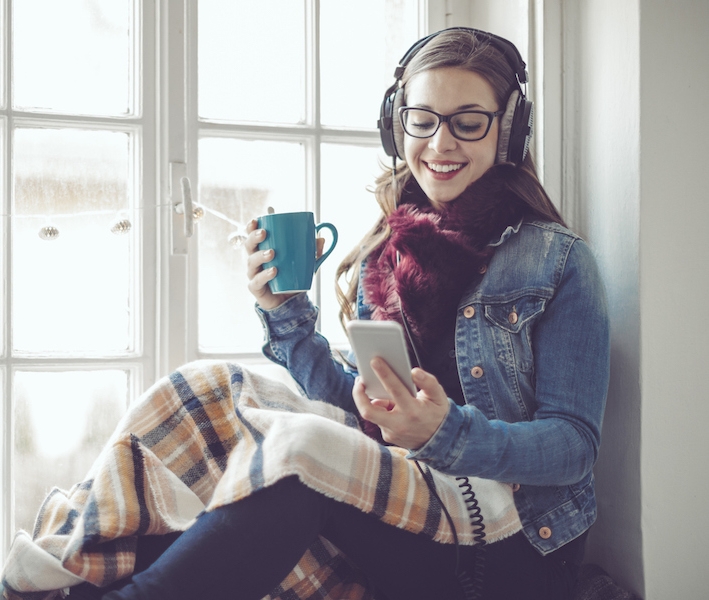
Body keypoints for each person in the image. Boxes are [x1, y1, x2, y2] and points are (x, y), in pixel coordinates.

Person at [67, 27, 610, 600]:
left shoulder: (559, 262)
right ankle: (86, 573)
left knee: (305, 450)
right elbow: (355, 410)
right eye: (421, 119)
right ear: (395, 125)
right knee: (206, 388)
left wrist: (446, 434)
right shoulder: (392, 251)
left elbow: (574, 446)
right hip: (410, 504)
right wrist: (284, 314)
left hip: (508, 550)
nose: (440, 143)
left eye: (468, 122)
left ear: (509, 131)